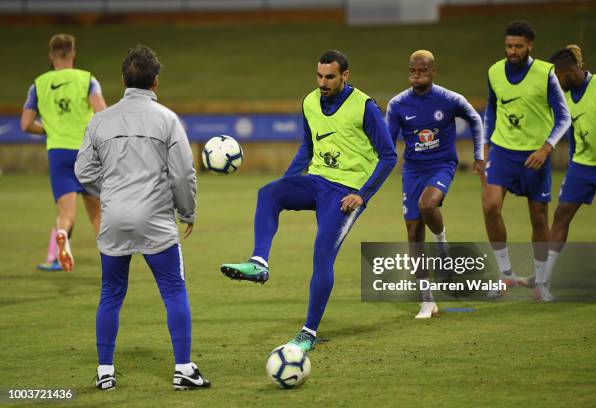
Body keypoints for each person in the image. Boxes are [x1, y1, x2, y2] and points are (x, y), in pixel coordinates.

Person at [220, 50, 397, 351]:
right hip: (317, 181)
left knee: (322, 253)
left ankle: (308, 333)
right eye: (319, 76)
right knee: (268, 192)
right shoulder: (309, 102)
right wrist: (287, 181)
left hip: (346, 193)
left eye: (329, 77)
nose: (323, 82)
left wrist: (362, 195)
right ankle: (259, 262)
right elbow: (307, 145)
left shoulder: (364, 106)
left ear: (345, 76)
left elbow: (389, 156)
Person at [75, 45, 209, 390]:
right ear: (156, 81)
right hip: (155, 218)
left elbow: (83, 171)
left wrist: (111, 194)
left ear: (123, 80)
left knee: (111, 293)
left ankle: (105, 372)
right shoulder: (166, 118)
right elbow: (183, 174)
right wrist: (187, 211)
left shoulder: (100, 119)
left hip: (114, 218)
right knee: (174, 290)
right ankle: (183, 370)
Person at [386, 50, 485, 318]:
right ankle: (427, 301)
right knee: (413, 233)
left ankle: (441, 243)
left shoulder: (449, 99)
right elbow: (387, 142)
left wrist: (478, 155)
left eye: (422, 70)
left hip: (442, 165)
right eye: (412, 71)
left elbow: (475, 119)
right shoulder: (398, 104)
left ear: (433, 72)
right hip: (413, 170)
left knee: (428, 205)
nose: (416, 75)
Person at [482, 20, 571, 298]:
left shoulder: (546, 73)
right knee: (491, 207)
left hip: (535, 155)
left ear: (530, 46)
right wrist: (484, 146)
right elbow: (491, 111)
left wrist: (546, 148)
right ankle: (505, 274)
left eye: (519, 46)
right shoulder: (494, 71)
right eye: (509, 46)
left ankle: (541, 283)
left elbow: (564, 116)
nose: (513, 51)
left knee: (538, 217)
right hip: (503, 151)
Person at [20, 33, 106, 272]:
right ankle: (111, 263)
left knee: (66, 213)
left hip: (58, 153)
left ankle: (61, 237)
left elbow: (25, 124)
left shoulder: (38, 85)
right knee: (97, 216)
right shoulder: (87, 80)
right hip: (87, 152)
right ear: (73, 54)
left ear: (51, 56)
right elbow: (102, 112)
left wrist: (49, 130)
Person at [542, 45, 596, 301]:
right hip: (582, 167)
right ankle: (544, 280)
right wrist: (572, 164)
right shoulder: (566, 98)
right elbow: (572, 136)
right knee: (561, 214)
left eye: (556, 78)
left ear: (568, 71)